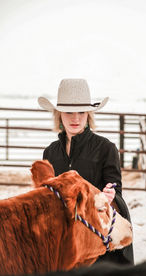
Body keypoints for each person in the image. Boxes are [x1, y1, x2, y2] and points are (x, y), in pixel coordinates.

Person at [38, 78, 134, 265]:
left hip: (95, 239)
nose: (75, 118)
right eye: (69, 112)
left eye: (81, 111)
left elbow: (117, 192)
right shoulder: (50, 152)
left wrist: (111, 196)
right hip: (61, 239)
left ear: (89, 114)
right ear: (59, 114)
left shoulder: (106, 148)